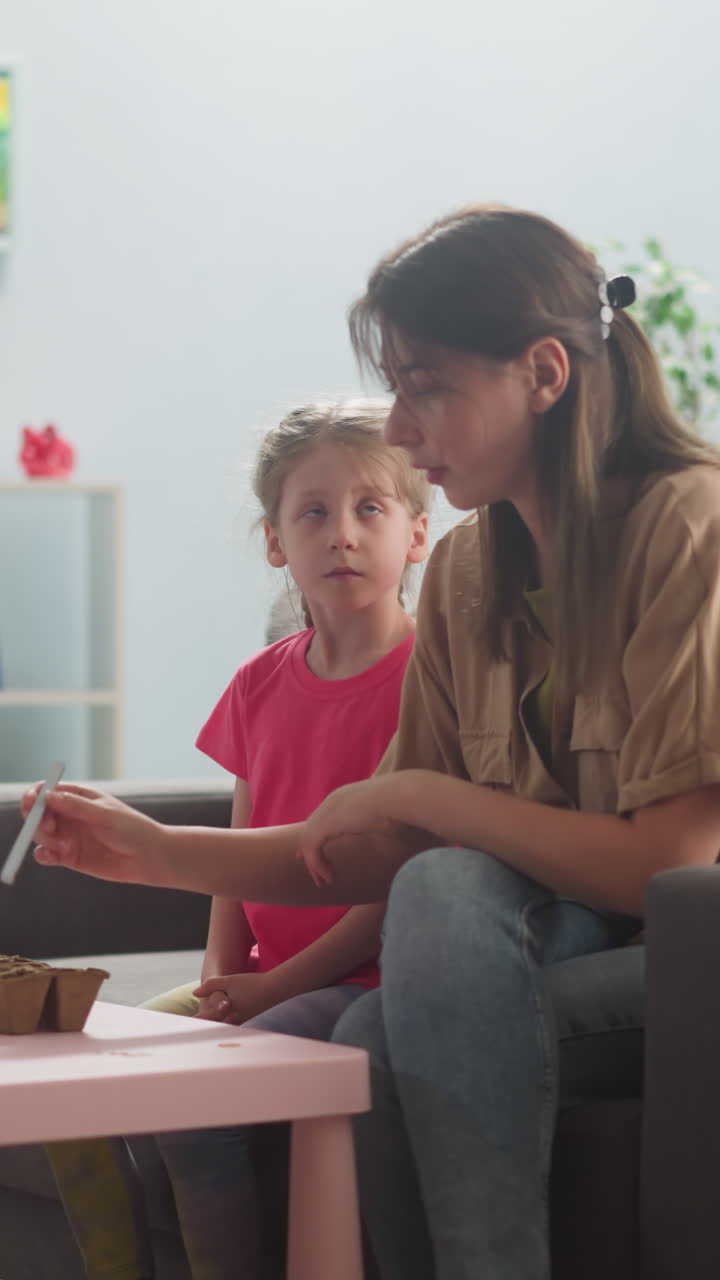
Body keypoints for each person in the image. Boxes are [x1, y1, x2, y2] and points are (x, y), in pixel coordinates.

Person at [31, 204, 720, 1280]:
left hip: (682, 963)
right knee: (391, 993)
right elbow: (381, 846)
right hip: (539, 942)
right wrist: (157, 850)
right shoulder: (466, 574)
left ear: (544, 372)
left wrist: (430, 800)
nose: (401, 428)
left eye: (426, 384)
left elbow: (670, 862)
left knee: (436, 908)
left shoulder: (690, 524)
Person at [44, 397, 429, 1280]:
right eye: (314, 512)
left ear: (415, 533)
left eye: (371, 509)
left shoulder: (428, 681)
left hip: (363, 981)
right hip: (260, 977)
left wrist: (272, 988)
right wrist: (225, 973)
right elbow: (239, 845)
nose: (342, 534)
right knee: (74, 1082)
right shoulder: (258, 683)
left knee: (194, 1104)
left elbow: (399, 880)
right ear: (274, 541)